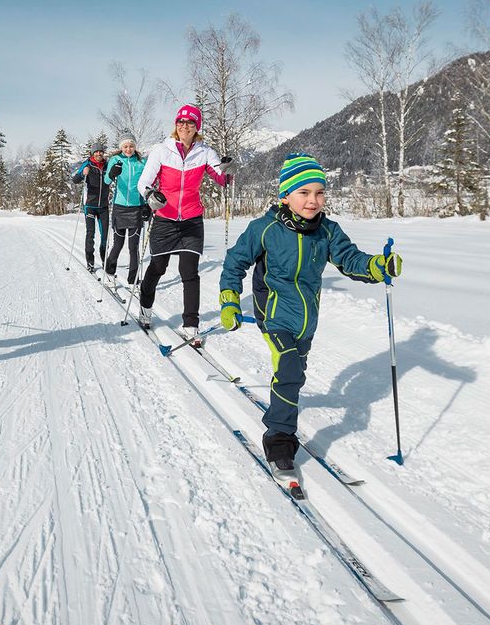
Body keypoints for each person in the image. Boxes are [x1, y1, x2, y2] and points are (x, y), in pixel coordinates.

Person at [218, 153, 402, 487]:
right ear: (285, 195)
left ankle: (282, 405)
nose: (313, 200)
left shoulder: (328, 231)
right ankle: (279, 441)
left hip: (307, 320)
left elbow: (350, 259)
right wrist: (229, 300)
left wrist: (377, 266)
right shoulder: (266, 228)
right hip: (273, 313)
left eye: (319, 192)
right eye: (304, 193)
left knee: (293, 373)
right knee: (288, 367)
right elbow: (235, 263)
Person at [135, 104, 232, 342]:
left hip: (191, 220)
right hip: (165, 219)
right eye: (180, 122)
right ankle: (145, 309)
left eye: (189, 123)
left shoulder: (205, 152)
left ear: (196, 127)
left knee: (189, 272)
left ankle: (191, 324)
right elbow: (144, 182)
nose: (184, 126)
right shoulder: (162, 150)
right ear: (175, 125)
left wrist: (228, 171)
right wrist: (150, 196)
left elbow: (221, 178)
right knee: (158, 268)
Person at [102, 135, 147, 291]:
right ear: (121, 147)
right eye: (125, 146)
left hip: (136, 208)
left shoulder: (141, 162)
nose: (128, 149)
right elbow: (107, 182)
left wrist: (147, 205)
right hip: (120, 207)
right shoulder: (115, 160)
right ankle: (109, 272)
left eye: (131, 146)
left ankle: (133, 280)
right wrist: (112, 173)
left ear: (135, 147)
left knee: (133, 248)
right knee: (118, 245)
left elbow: (146, 184)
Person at [71, 145, 110, 272]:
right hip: (90, 205)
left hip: (104, 206)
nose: (99, 153)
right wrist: (83, 173)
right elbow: (75, 180)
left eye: (101, 151)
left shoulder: (107, 165)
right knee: (90, 234)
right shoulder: (87, 164)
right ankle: (90, 262)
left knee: (105, 235)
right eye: (96, 151)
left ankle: (105, 261)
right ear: (93, 153)